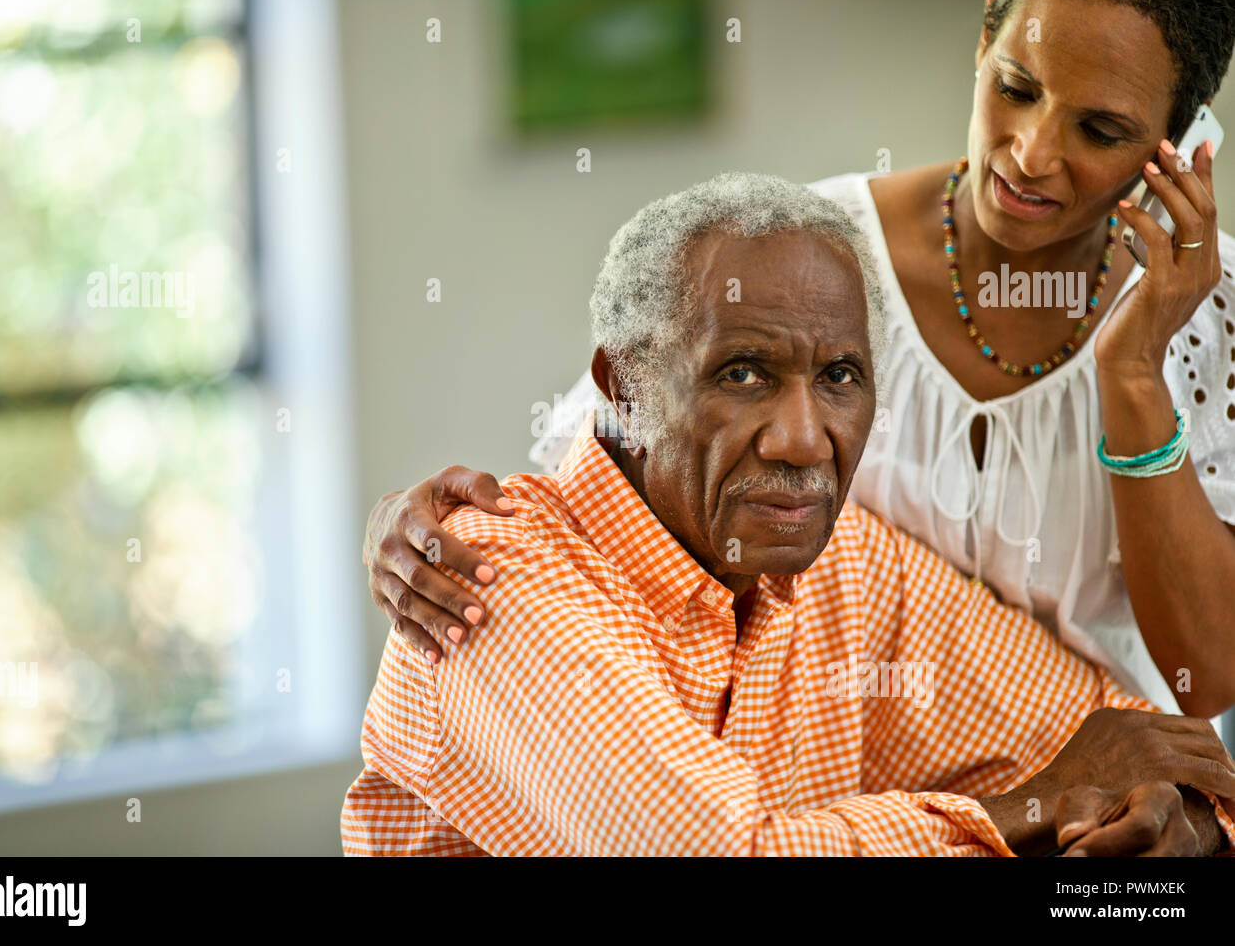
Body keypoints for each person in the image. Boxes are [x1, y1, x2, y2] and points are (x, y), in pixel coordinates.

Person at [361, 0, 1235, 721]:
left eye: (1101, 129)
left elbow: (1207, 676)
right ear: (981, 45)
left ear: (1182, 141)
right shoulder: (816, 257)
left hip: (1109, 811)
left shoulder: (1211, 310)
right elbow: (599, 465)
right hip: (821, 805)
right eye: (1016, 86)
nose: (1033, 152)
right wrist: (432, 521)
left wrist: (1131, 374)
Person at [342, 173, 1235, 856]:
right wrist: (1029, 809)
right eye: (744, 374)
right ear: (623, 389)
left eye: (840, 377)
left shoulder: (835, 559)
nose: (806, 441)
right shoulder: (488, 572)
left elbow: (1117, 736)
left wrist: (1178, 820)